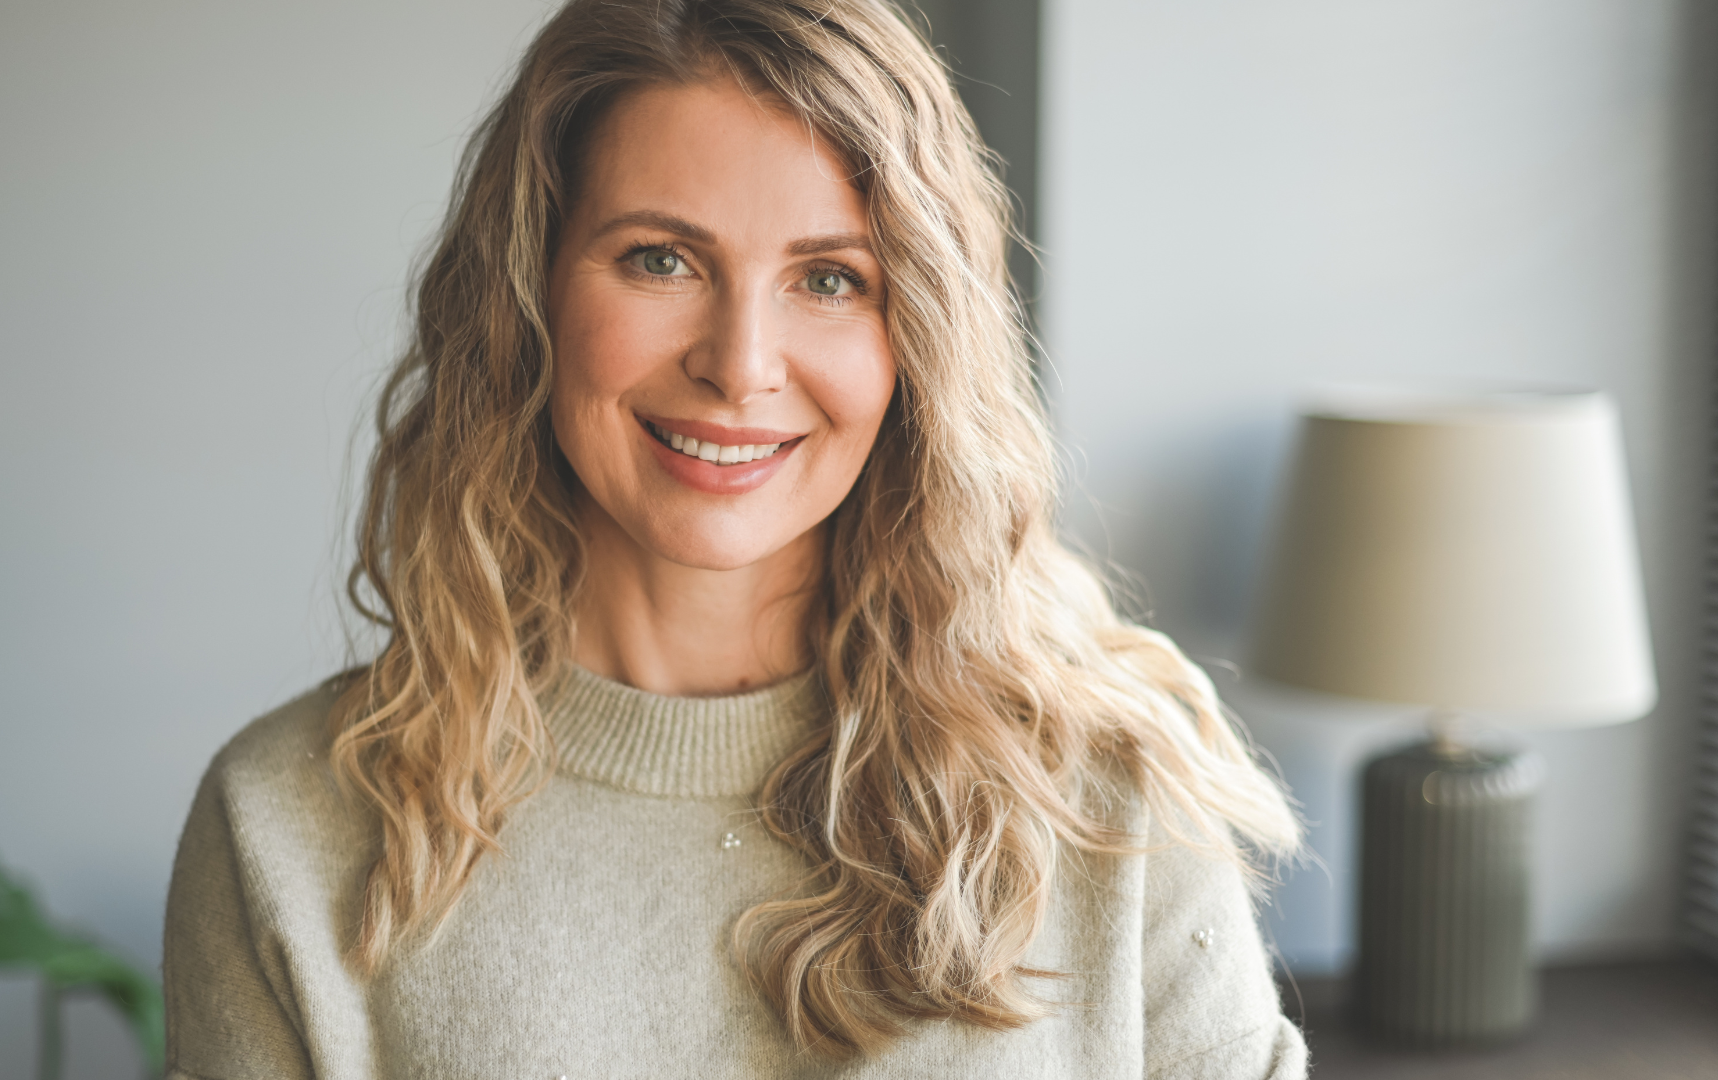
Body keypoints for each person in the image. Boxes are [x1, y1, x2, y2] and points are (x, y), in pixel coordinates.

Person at [163, 0, 1307, 1076]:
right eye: (661, 259)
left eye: (829, 279)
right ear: (530, 297)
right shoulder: (286, 831)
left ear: (916, 340)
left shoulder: (1119, 802)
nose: (741, 363)